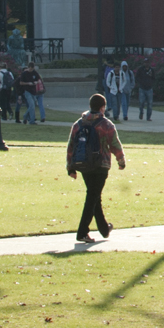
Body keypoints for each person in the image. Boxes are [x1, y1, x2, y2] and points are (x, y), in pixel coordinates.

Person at [66, 92, 126, 243]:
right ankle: (82, 232)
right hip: (101, 165)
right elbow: (114, 144)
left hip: (84, 164)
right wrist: (121, 160)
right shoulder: (106, 124)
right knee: (92, 196)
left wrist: (70, 167)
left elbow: (71, 146)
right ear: (102, 108)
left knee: (94, 195)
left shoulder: (79, 123)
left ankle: (104, 229)